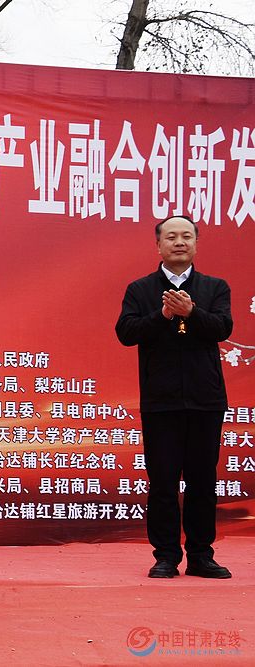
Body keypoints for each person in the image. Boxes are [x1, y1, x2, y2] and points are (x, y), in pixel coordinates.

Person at [116, 215, 233, 580]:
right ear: (159, 246)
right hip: (161, 400)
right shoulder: (140, 289)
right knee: (163, 482)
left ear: (196, 244)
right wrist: (163, 314)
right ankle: (166, 555)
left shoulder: (215, 287)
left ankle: (201, 555)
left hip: (205, 399)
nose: (179, 242)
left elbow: (223, 327)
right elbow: (126, 332)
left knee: (203, 482)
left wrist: (191, 313)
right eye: (171, 237)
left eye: (186, 236)